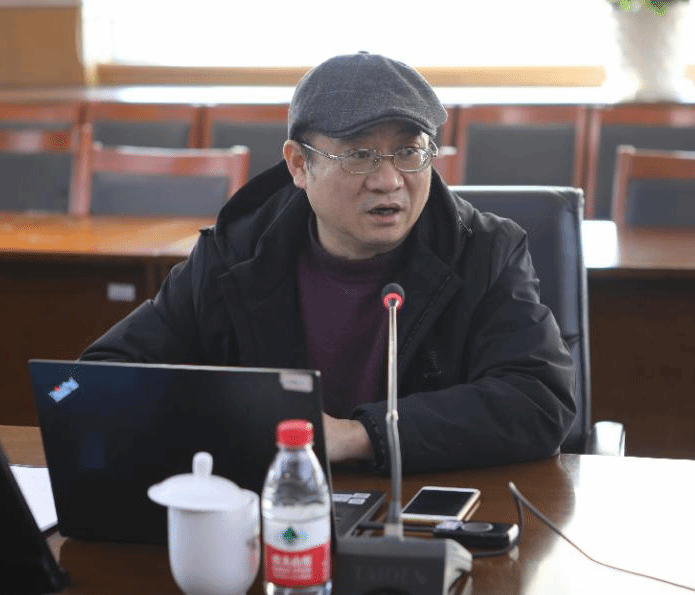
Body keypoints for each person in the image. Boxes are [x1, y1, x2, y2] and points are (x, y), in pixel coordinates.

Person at [81, 52, 576, 473]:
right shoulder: (235, 255)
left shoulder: (484, 251)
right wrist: (227, 425)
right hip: (272, 507)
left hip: (423, 511)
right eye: (359, 156)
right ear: (300, 165)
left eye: (409, 152)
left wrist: (362, 435)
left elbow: (539, 400)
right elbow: (103, 376)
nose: (389, 180)